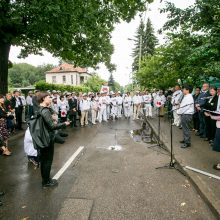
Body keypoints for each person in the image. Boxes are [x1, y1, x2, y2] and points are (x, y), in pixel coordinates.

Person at [36, 92, 70, 187]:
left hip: (42, 138)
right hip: (47, 138)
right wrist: (64, 124)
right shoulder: (45, 111)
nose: (50, 99)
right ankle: (46, 182)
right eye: (48, 98)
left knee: (44, 160)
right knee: (47, 160)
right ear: (43, 99)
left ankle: (45, 180)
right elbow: (52, 126)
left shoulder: (40, 109)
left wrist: (49, 106)